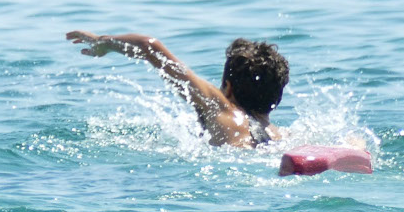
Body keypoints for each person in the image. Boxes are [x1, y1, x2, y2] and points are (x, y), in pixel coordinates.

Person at [66, 31, 289, 148]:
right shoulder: (277, 134)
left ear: (228, 88)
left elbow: (148, 46)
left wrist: (103, 42)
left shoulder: (223, 109)